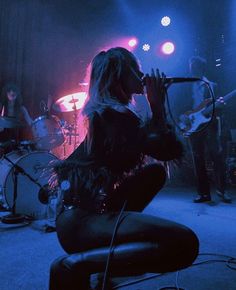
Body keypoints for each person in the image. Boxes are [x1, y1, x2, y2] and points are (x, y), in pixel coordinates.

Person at [49, 47, 199, 290]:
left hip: (88, 213)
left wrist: (157, 111)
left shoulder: (114, 114)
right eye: (136, 70)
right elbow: (166, 150)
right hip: (80, 223)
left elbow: (162, 152)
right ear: (118, 77)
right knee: (184, 242)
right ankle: (73, 264)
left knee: (154, 173)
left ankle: (105, 254)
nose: (143, 75)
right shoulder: (113, 116)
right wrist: (157, 108)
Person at [182, 56, 231, 203]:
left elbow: (220, 107)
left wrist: (220, 107)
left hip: (210, 124)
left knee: (218, 157)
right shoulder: (186, 85)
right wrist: (185, 118)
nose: (192, 69)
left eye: (195, 66)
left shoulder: (212, 86)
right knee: (198, 160)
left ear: (201, 68)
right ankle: (203, 193)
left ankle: (222, 191)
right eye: (191, 66)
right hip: (193, 125)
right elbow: (180, 105)